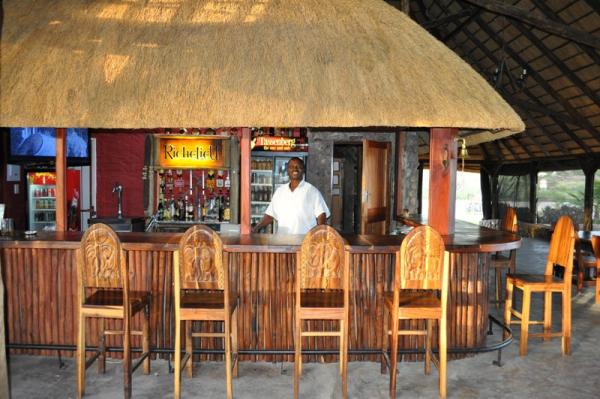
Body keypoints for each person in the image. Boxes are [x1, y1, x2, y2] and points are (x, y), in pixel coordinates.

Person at [252, 157, 329, 234]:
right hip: (282, 240)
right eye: (291, 167)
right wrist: (256, 227)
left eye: (298, 167)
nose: (295, 169)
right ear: (287, 170)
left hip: (304, 241)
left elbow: (321, 214)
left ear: (303, 170)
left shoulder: (312, 191)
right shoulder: (280, 191)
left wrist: (320, 234)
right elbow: (270, 215)